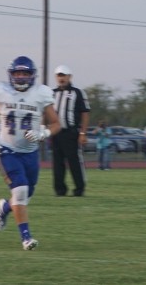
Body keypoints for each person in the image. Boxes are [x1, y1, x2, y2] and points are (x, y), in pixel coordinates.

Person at [0, 56, 60, 251]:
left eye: (25, 73)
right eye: (18, 73)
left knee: (26, 195)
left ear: (32, 75)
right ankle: (26, 238)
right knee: (20, 191)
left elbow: (57, 123)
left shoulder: (41, 93)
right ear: (11, 75)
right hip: (7, 150)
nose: (21, 77)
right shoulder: (1, 91)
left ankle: (5, 208)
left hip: (30, 153)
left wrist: (43, 133)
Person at [51, 64, 91, 196]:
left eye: (64, 75)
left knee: (74, 162)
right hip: (55, 133)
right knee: (57, 163)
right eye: (59, 75)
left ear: (69, 77)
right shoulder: (52, 93)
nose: (61, 78)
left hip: (71, 133)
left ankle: (79, 189)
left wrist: (83, 133)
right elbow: (46, 113)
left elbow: (85, 113)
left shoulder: (77, 93)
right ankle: (60, 190)